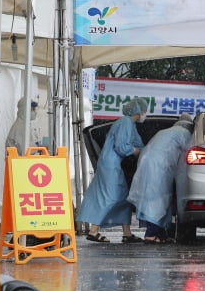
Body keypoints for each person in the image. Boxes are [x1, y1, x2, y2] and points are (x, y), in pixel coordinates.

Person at [77, 98, 148, 243]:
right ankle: (94, 230)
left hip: (112, 164)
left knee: (123, 198)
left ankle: (127, 233)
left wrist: (141, 149)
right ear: (139, 111)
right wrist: (136, 151)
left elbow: (136, 142)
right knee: (110, 197)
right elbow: (121, 146)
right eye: (145, 111)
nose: (145, 114)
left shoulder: (128, 124)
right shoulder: (126, 122)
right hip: (111, 165)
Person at [127, 113, 194, 244]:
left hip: (148, 162)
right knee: (157, 199)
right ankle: (150, 234)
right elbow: (189, 154)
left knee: (157, 198)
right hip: (159, 166)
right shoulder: (185, 134)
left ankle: (161, 234)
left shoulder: (166, 131)